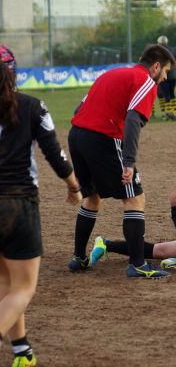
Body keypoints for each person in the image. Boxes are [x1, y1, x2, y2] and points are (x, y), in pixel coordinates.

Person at [67, 44, 175, 279]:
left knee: (92, 196)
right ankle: (137, 265)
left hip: (77, 134)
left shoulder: (112, 73)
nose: (165, 76)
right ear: (155, 66)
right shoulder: (145, 81)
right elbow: (133, 119)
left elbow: (79, 107)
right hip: (102, 137)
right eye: (165, 70)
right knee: (134, 197)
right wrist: (129, 161)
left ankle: (79, 258)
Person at [0, 53, 81, 367]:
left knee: (6, 285)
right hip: (19, 203)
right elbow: (55, 154)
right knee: (22, 288)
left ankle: (22, 351)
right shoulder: (32, 106)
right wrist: (74, 186)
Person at [156, 35, 176, 120]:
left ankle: (168, 114)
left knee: (165, 95)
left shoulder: (159, 52)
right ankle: (175, 112)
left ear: (159, 43)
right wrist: (174, 67)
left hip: (164, 75)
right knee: (172, 94)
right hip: (174, 75)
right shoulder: (174, 50)